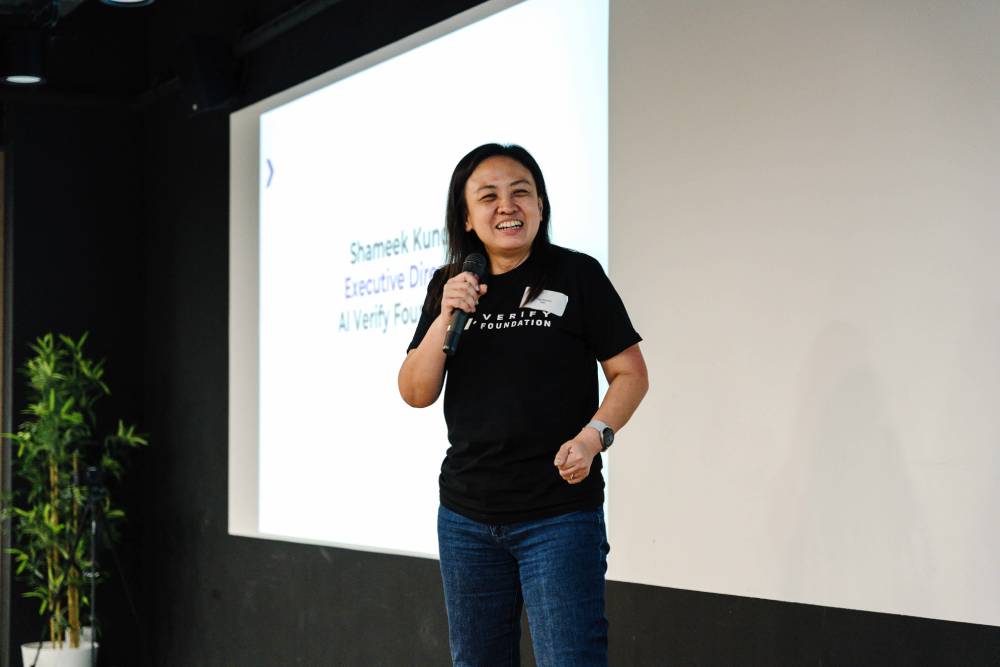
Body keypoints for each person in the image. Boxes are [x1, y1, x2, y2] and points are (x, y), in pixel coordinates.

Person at [398, 143, 648, 666]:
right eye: (488, 196)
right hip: (466, 517)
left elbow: (630, 374)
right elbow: (416, 392)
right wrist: (445, 315)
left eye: (521, 192)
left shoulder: (576, 274)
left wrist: (593, 437)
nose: (507, 206)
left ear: (540, 205)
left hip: (558, 515)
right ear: (467, 218)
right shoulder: (450, 286)